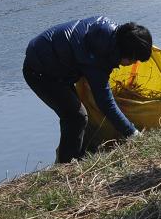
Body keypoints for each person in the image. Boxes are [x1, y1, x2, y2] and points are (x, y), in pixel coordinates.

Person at [23, 17, 153, 164]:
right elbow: (105, 102)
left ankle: (76, 156)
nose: (133, 64)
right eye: (133, 60)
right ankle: (67, 165)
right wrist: (132, 133)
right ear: (125, 52)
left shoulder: (112, 36)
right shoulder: (97, 55)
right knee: (76, 116)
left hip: (56, 66)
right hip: (40, 72)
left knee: (78, 114)